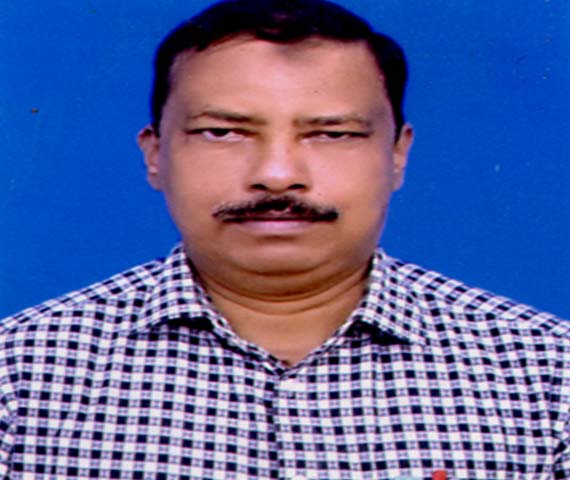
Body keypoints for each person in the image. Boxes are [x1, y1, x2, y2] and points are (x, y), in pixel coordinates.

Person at [0, 0, 568, 478]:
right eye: (223, 132)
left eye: (332, 134)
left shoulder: (548, 376)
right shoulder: (19, 375)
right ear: (155, 154)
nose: (276, 175)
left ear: (398, 153)